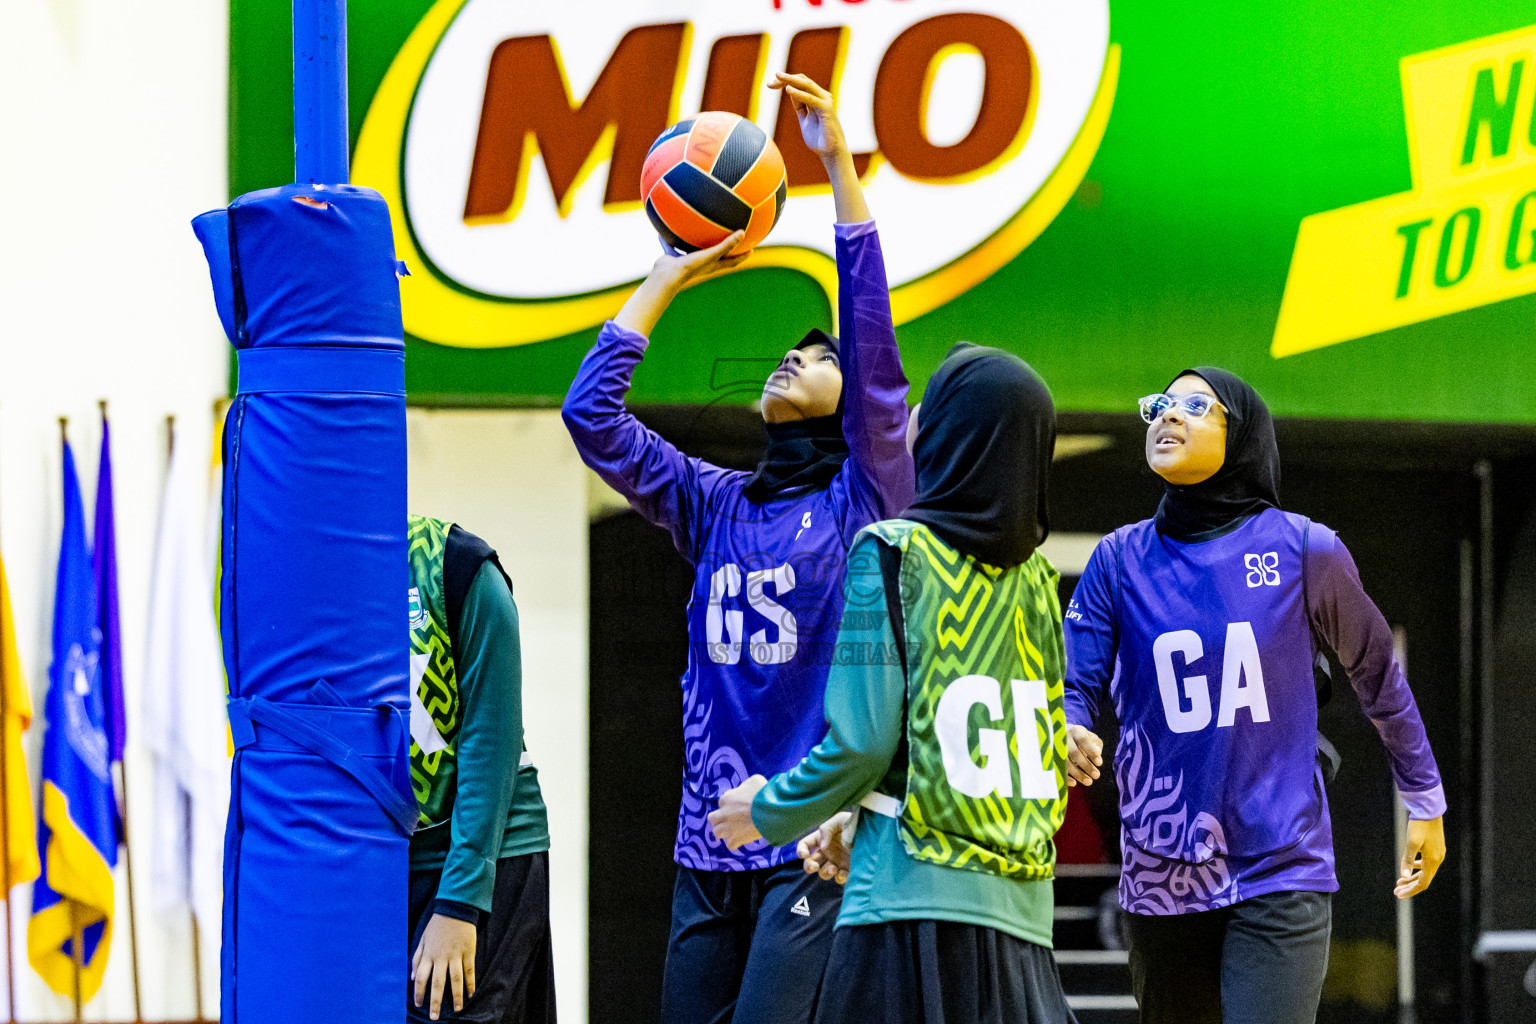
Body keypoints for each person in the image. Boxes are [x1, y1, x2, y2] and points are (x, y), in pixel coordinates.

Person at [562, 73, 913, 1024]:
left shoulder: (867, 498)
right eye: (791, 350)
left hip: (810, 838)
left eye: (820, 354)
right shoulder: (713, 504)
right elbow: (589, 416)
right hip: (703, 849)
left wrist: (839, 164)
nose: (796, 356)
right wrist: (668, 272)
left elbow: (877, 357)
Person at [1060, 369, 1447, 1024]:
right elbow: (1077, 679)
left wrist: (1426, 800)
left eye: (1192, 406)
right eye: (1158, 405)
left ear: (1241, 434)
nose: (1166, 417)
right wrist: (1070, 725)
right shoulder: (1117, 559)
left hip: (1280, 866)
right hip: (1160, 877)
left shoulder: (1304, 549)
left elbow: (1379, 674)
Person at [711, 343, 1078, 1024]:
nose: (911, 414)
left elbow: (862, 743)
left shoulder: (891, 551)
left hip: (905, 911)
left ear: (951, 431)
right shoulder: (1036, 582)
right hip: (1024, 924)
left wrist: (768, 812)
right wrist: (860, 817)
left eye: (926, 403)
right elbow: (989, 746)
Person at [405, 515, 554, 1024]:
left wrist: (460, 901)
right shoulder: (316, 578)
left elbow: (491, 740)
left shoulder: (454, 563)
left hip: (486, 852)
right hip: (389, 866)